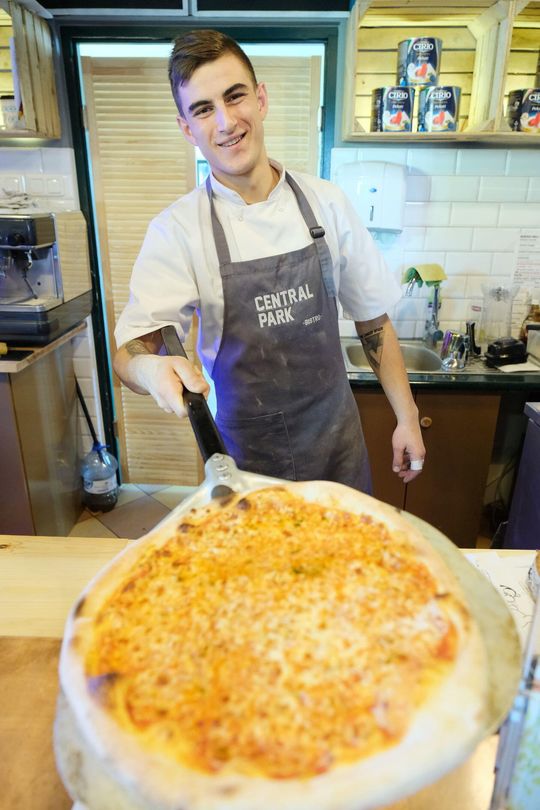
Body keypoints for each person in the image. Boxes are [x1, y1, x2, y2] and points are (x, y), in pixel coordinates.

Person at [113, 29, 425, 492]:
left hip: (338, 447)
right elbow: (130, 351)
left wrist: (408, 416)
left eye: (234, 96)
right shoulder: (176, 231)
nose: (225, 122)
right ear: (187, 128)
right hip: (247, 461)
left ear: (260, 99)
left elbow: (373, 321)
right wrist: (150, 369)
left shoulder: (327, 202)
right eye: (203, 109)